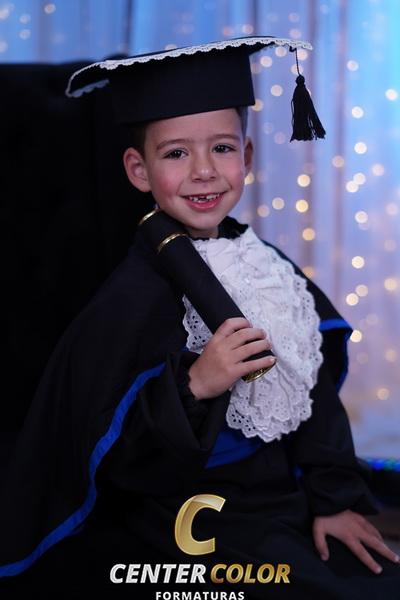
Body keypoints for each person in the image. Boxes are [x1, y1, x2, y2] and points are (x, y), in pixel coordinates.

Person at [0, 36, 399, 600]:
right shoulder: (132, 297)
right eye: (176, 154)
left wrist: (335, 500)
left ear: (248, 157)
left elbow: (311, 393)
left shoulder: (268, 268)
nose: (205, 172)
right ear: (139, 170)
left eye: (222, 148)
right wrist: (195, 385)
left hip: (278, 492)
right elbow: (118, 458)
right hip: (190, 511)